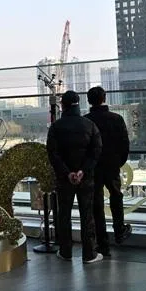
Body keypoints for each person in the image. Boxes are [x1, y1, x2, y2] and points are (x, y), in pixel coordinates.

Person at [46, 90, 103, 264]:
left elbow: (53, 154)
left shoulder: (56, 127)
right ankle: (89, 254)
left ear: (62, 106)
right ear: (79, 104)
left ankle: (65, 251)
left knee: (64, 214)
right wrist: (82, 171)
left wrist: (67, 173)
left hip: (65, 179)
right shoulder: (90, 125)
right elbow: (96, 151)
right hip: (85, 178)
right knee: (87, 215)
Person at [86, 86, 132, 254]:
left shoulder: (87, 120)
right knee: (116, 196)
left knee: (96, 203)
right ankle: (119, 231)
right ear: (104, 98)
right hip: (112, 165)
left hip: (94, 167)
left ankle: (102, 243)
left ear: (89, 101)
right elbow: (125, 144)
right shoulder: (116, 119)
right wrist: (118, 162)